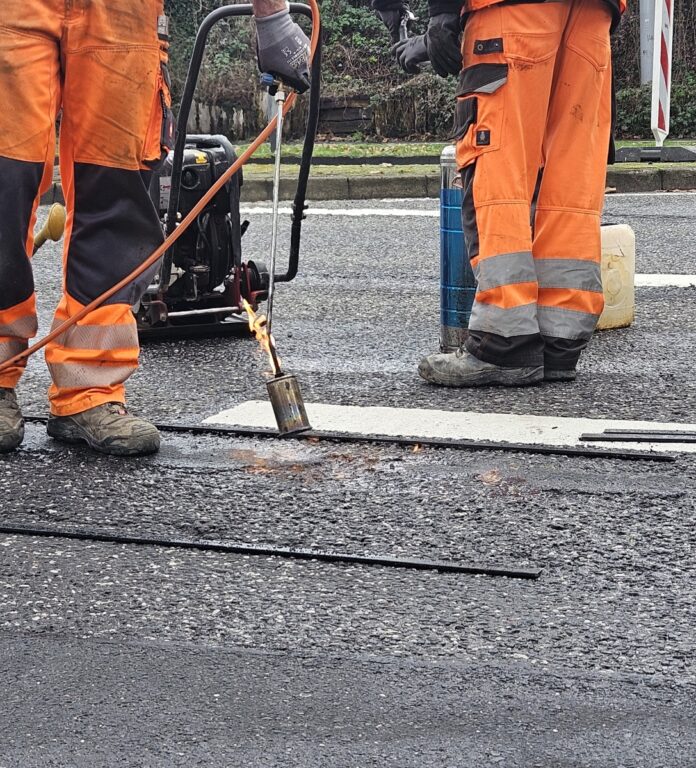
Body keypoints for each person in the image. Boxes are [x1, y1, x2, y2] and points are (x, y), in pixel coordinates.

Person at [0, 0, 310, 455]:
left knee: (118, 191)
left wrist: (271, 13)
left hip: (123, 13)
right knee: (4, 178)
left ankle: (89, 387)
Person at [376, 0, 625, 388]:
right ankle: (558, 339)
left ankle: (504, 342)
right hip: (593, 12)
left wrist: (440, 13)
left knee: (499, 167)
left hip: (513, 12)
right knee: (567, 171)